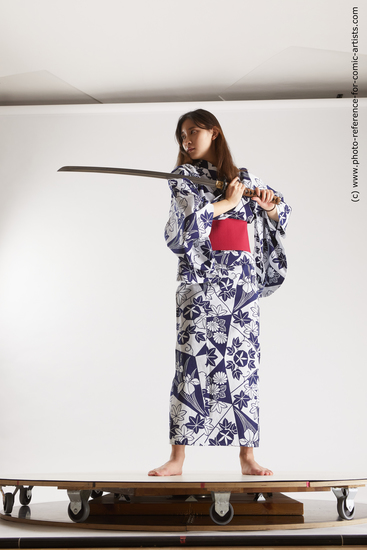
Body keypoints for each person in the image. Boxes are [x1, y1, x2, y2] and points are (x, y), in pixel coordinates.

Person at [148, 109, 291, 477]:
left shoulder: (244, 178)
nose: (187, 140)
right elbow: (179, 233)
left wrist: (268, 205)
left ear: (215, 132)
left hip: (240, 288)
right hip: (200, 284)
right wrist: (224, 205)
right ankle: (177, 458)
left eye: (193, 131)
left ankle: (247, 457)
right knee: (190, 365)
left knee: (243, 368)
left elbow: (282, 211)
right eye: (182, 135)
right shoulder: (183, 178)